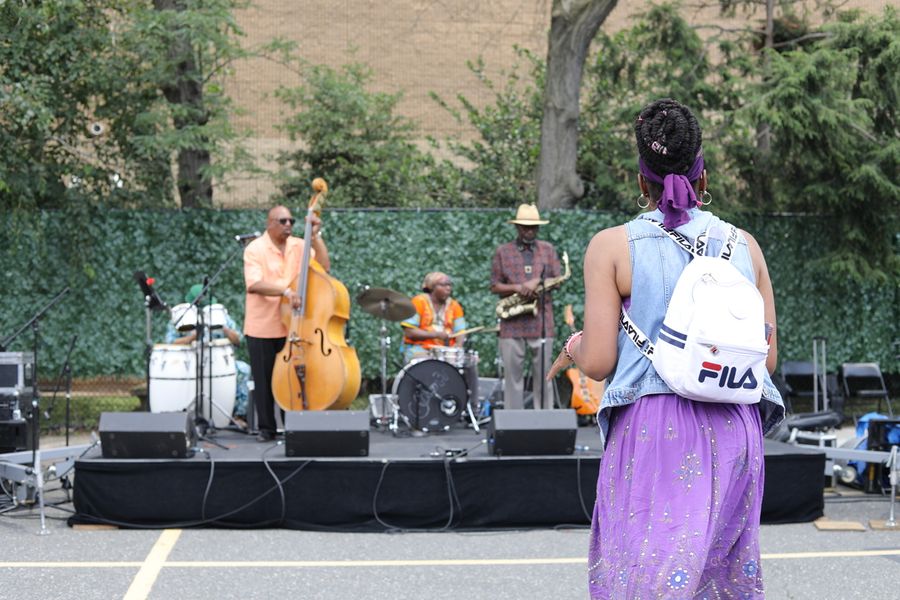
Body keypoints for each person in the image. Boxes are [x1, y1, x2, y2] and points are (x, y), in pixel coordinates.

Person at [547, 99, 784, 598]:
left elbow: (598, 361)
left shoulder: (611, 247)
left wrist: (572, 345)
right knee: (717, 578)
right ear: (703, 174)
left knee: (648, 572)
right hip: (734, 429)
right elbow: (767, 360)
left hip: (658, 427)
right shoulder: (746, 246)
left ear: (641, 180)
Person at [243, 205, 329, 442]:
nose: (288, 225)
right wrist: (286, 292)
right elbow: (254, 284)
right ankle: (266, 429)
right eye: (282, 221)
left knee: (291, 379)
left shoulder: (299, 245)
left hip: (293, 326)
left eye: (291, 220)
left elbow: (324, 267)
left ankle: (293, 427)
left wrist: (315, 236)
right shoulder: (255, 249)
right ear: (269, 223)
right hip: (262, 326)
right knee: (264, 379)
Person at [490, 204, 561, 410]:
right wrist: (519, 288)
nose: (529, 231)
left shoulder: (548, 250)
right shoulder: (502, 252)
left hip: (541, 321)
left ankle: (545, 420)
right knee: (513, 377)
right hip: (512, 323)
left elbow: (556, 280)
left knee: (545, 374)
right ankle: (513, 422)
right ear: (517, 227)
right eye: (524, 227)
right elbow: (494, 285)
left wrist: (537, 285)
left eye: (533, 227)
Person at [165, 284, 252, 428]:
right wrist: (192, 337)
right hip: (190, 364)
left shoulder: (221, 315)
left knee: (244, 370)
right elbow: (170, 343)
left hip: (219, 364)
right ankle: (184, 418)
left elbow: (238, 340)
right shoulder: (181, 317)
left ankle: (237, 415)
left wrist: (224, 328)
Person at [399, 272, 468, 364]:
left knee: (467, 361)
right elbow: (409, 332)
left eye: (449, 285)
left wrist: (458, 346)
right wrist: (436, 334)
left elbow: (460, 331)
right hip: (419, 348)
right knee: (429, 364)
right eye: (443, 285)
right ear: (432, 287)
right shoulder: (419, 302)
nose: (448, 288)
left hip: (445, 351)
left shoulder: (454, 305)